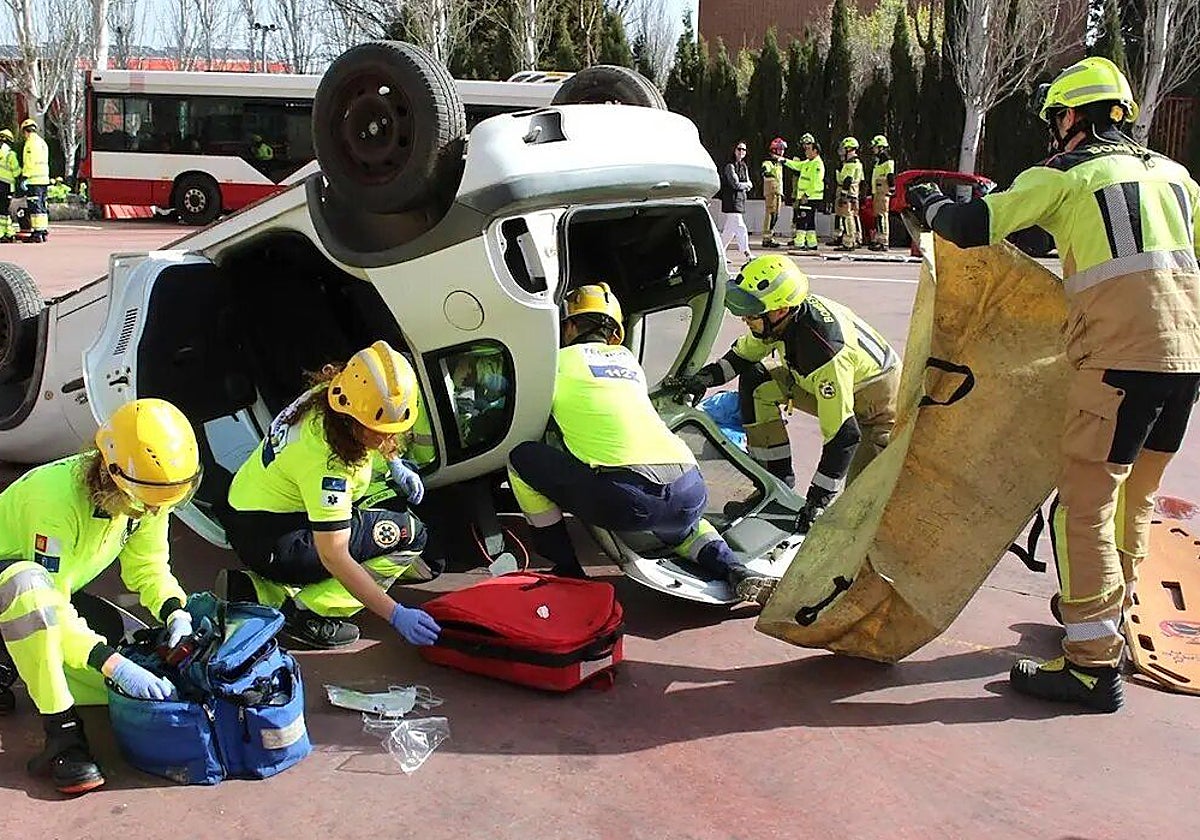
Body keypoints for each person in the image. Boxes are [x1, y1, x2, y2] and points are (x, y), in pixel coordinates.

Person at [905, 56, 1200, 713]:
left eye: (1059, 116)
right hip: (1186, 364)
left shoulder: (1068, 175)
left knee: (1084, 507)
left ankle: (1092, 666)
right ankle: (1105, 622)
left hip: (1119, 364)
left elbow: (973, 226)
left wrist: (930, 205)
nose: (1055, 128)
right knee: (1136, 497)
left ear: (1080, 117)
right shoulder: (1178, 178)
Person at [507, 283, 777, 604]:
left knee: (521, 458)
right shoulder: (628, 362)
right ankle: (735, 569)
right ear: (615, 332)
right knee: (686, 530)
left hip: (625, 496)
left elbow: (525, 412)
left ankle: (564, 567)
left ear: (569, 325)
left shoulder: (555, 363)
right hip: (688, 486)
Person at [0, 398, 203, 795]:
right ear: (112, 473)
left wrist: (175, 611)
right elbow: (48, 606)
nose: (151, 511)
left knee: (123, 674)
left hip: (51, 598)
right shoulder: (52, 500)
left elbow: (148, 567)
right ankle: (64, 740)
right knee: (28, 588)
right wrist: (110, 663)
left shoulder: (145, 491)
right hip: (24, 596)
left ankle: (12, 663)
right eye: (146, 501)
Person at [218, 341, 443, 651]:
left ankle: (263, 593)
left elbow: (369, 438)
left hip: (252, 511)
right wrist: (394, 613)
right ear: (354, 417)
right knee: (408, 533)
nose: (390, 437)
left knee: (382, 498)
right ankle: (309, 613)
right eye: (381, 430)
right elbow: (334, 555)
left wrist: (394, 463)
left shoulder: (329, 395)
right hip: (278, 538)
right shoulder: (328, 466)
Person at [672, 255, 901, 533]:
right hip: (814, 378)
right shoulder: (783, 318)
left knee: (862, 507)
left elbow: (843, 435)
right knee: (757, 380)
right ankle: (774, 484)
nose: (745, 318)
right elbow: (744, 356)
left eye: (752, 313)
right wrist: (703, 379)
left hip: (874, 402)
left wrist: (818, 500)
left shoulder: (824, 352)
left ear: (780, 310)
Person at [783, 134, 824, 251]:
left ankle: (799, 243)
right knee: (810, 222)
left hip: (811, 198)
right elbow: (796, 165)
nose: (806, 151)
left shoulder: (817, 164)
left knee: (802, 220)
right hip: (807, 197)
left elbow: (815, 182)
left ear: (815, 151)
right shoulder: (808, 162)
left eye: (808, 149)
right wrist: (784, 160)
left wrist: (807, 195)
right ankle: (812, 243)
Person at [719, 141, 753, 265]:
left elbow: (748, 182)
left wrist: (744, 185)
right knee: (740, 226)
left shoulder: (743, 166)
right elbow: (735, 184)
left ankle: (719, 253)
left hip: (740, 199)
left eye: (744, 150)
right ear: (734, 150)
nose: (741, 152)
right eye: (739, 149)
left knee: (729, 231)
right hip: (731, 200)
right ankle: (747, 252)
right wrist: (746, 185)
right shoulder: (730, 166)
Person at [19, 118, 49, 243]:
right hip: (43, 179)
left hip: (33, 179)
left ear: (25, 131)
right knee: (42, 206)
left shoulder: (30, 143)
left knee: (35, 207)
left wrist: (24, 177)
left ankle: (37, 234)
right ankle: (42, 231)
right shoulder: (42, 142)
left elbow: (30, 162)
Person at [834, 137, 864, 249]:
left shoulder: (851, 164)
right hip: (854, 193)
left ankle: (848, 242)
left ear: (850, 149)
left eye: (844, 148)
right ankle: (856, 239)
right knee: (853, 216)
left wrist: (843, 194)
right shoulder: (858, 163)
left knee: (848, 217)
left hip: (847, 193)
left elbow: (848, 180)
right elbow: (862, 180)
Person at [868, 135, 896, 251]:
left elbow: (890, 176)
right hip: (877, 192)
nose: (873, 149)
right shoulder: (879, 161)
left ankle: (884, 242)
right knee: (878, 217)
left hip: (882, 192)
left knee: (882, 216)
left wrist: (892, 188)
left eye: (875, 147)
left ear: (881, 147)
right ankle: (879, 240)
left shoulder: (887, 161)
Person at [761, 137, 787, 248]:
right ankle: (767, 238)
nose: (782, 152)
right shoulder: (769, 162)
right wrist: (766, 172)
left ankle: (770, 235)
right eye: (780, 149)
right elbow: (764, 169)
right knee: (770, 214)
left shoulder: (779, 163)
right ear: (774, 150)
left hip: (778, 193)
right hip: (771, 193)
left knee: (776, 215)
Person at [0, 128, 18, 243]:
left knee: (1, 211)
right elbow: (16, 171)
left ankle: (4, 232)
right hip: (6, 186)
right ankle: (8, 232)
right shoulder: (10, 154)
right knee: (5, 211)